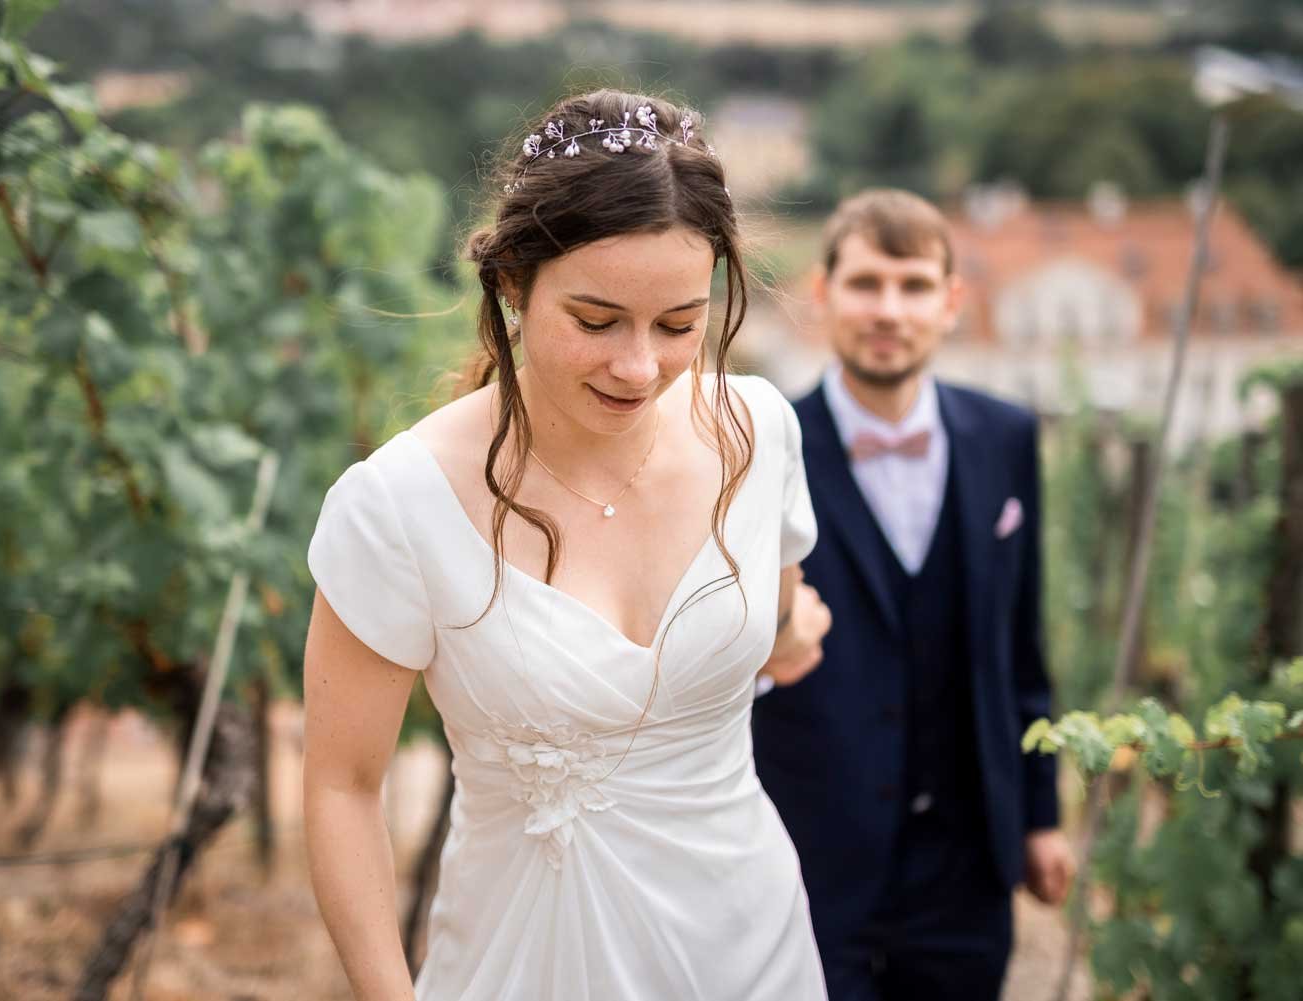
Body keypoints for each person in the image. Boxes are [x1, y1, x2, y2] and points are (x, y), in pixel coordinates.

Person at [302, 90, 834, 1001]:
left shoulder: (760, 431)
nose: (639, 366)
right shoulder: (398, 505)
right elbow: (342, 787)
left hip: (752, 948)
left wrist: (788, 631)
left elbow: (781, 626)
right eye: (596, 321)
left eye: (678, 324)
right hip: (528, 961)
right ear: (514, 282)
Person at [752, 188, 1077, 1001]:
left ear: (951, 301)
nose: (888, 310)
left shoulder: (1006, 436)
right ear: (823, 293)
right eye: (866, 283)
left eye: (914, 286)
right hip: (811, 855)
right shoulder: (763, 450)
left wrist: (1040, 815)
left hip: (966, 865)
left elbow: (1021, 643)